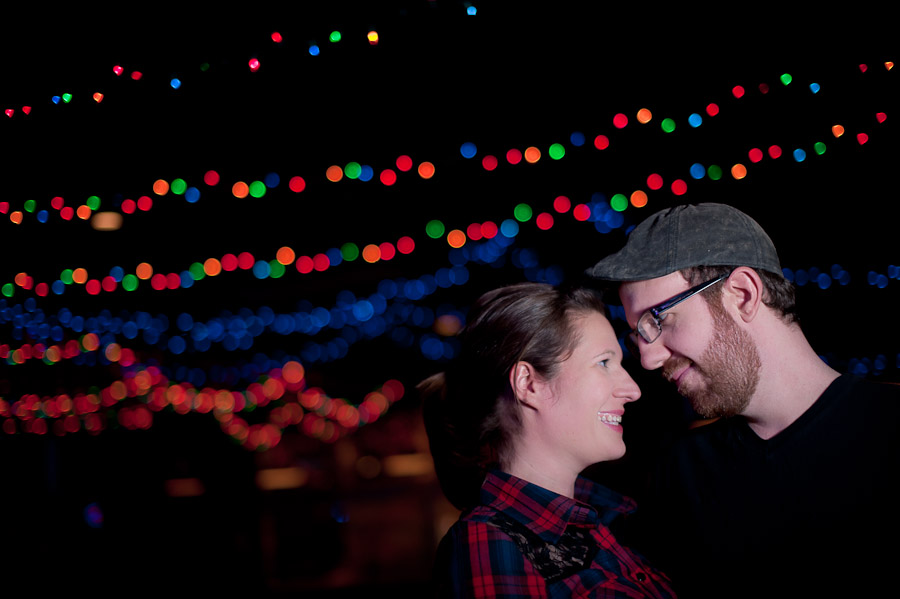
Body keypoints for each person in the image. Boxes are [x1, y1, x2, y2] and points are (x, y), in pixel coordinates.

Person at [584, 202, 900, 598]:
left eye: (658, 320)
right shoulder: (685, 471)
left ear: (743, 293)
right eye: (638, 335)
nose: (648, 359)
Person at [419, 282, 676, 598]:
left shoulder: (614, 516)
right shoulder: (489, 542)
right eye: (604, 363)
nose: (632, 389)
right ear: (529, 384)